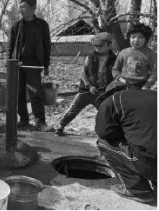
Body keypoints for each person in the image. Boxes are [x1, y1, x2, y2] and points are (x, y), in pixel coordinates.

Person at [95, 60, 157, 204]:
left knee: (103, 144)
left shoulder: (117, 98)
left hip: (150, 164)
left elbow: (104, 132)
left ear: (124, 78)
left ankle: (139, 191)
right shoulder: (156, 95)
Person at [55, 32, 117, 136]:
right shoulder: (90, 57)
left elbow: (116, 76)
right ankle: (61, 126)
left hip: (104, 92)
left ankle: (108, 133)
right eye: (95, 45)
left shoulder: (115, 60)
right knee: (73, 110)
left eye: (100, 46)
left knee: (107, 113)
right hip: (87, 90)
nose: (97, 48)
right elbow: (83, 73)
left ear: (109, 45)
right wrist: (89, 85)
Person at [7, 0, 52, 131]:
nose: (21, 10)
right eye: (20, 7)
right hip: (18, 64)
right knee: (19, 93)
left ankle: (40, 122)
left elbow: (47, 45)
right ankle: (24, 119)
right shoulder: (17, 26)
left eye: (24, 7)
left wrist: (46, 65)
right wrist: (10, 63)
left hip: (34, 64)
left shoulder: (42, 25)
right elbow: (11, 46)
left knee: (35, 93)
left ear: (33, 8)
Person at [112, 23, 157, 89]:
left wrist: (147, 85)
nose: (136, 40)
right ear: (129, 38)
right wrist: (120, 79)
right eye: (133, 37)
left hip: (142, 85)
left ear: (146, 39)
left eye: (140, 37)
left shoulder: (151, 54)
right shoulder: (123, 52)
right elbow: (115, 69)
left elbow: (155, 72)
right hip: (124, 83)